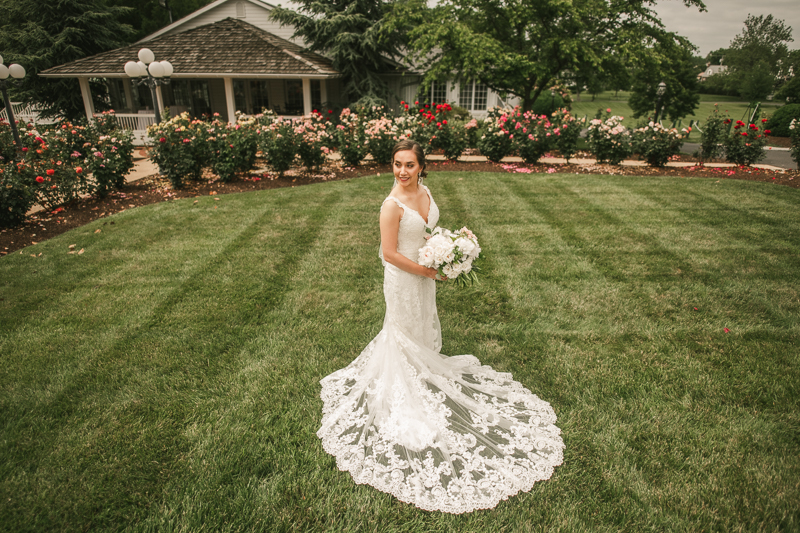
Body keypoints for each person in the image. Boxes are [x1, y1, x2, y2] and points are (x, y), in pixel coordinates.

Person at [317, 140, 564, 514]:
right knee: (403, 333)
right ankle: (407, 384)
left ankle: (424, 369)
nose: (402, 171)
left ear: (422, 167)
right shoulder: (391, 205)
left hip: (425, 276)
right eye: (397, 164)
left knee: (423, 327)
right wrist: (429, 269)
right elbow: (389, 253)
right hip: (403, 279)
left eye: (409, 165)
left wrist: (447, 247)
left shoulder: (426, 192)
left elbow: (428, 232)